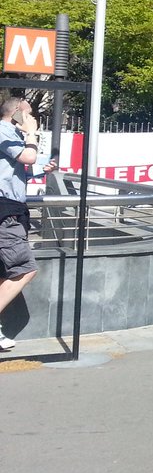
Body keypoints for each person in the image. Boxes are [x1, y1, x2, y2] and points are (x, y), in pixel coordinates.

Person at [0, 96, 55, 351]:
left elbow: (17, 169)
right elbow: (26, 157)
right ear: (17, 114)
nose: (32, 119)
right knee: (24, 268)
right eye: (29, 114)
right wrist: (31, 134)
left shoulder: (10, 134)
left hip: (11, 209)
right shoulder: (3, 130)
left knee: (9, 270)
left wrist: (43, 168)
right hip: (5, 211)